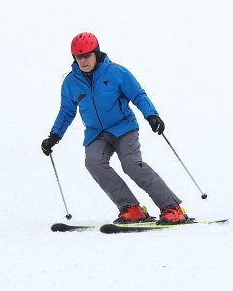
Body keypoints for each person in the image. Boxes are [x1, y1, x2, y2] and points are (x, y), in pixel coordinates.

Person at [41, 32, 188, 225]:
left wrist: (152, 115)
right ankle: (131, 209)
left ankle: (172, 208)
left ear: (96, 53)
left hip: (123, 128)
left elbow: (138, 95)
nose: (83, 60)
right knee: (93, 163)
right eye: (79, 57)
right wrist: (54, 136)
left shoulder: (116, 72)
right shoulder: (70, 83)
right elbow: (66, 112)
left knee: (131, 164)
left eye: (87, 55)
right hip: (96, 134)